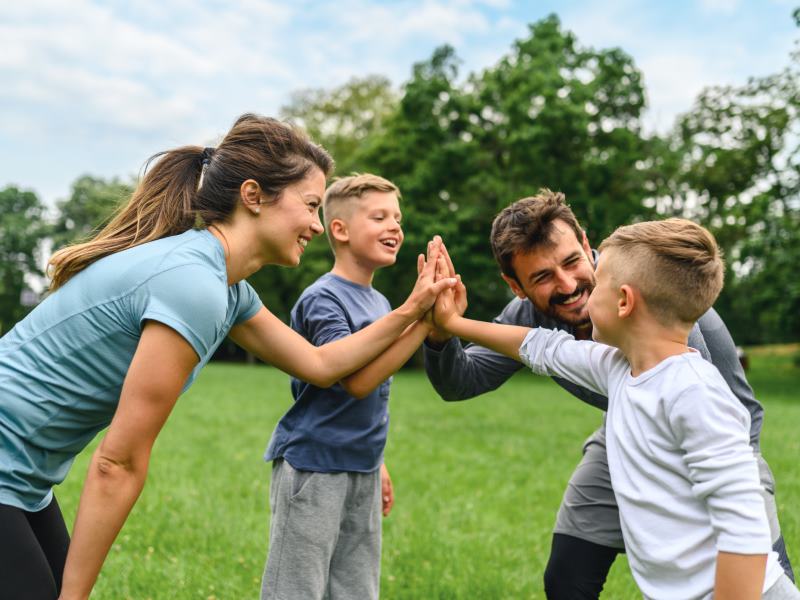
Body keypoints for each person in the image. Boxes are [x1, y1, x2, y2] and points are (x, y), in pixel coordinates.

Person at [0, 115, 456, 600]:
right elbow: (118, 463)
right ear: (253, 196)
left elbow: (320, 365)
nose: (317, 227)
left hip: (24, 479)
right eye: (310, 206)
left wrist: (414, 312)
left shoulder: (227, 288)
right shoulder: (192, 285)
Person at [424, 190, 794, 598]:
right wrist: (447, 326)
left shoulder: (662, 301)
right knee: (568, 579)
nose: (570, 286)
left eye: (574, 263)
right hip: (626, 419)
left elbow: (734, 505)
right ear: (516, 287)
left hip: (722, 437)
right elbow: (538, 350)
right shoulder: (614, 363)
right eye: (543, 277)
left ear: (588, 249)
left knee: (749, 548)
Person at [261, 173, 442, 600]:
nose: (395, 226)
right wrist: (421, 319)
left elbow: (374, 391)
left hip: (361, 466)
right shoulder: (324, 298)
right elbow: (357, 382)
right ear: (338, 230)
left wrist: (377, 461)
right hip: (314, 467)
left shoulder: (379, 303)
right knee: (297, 588)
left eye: (397, 218)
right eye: (379, 216)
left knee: (356, 588)